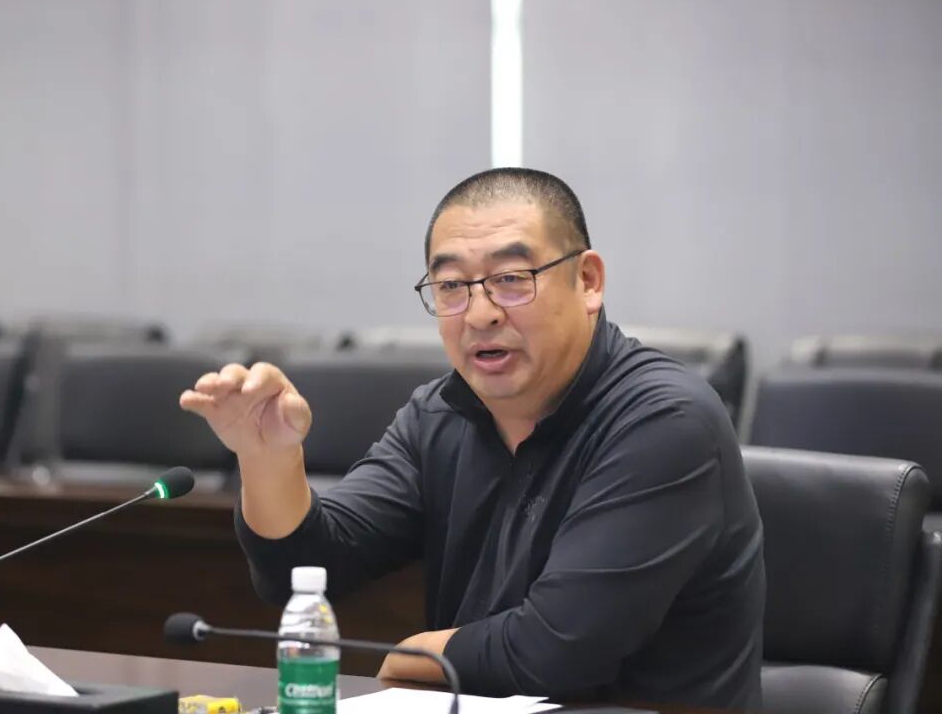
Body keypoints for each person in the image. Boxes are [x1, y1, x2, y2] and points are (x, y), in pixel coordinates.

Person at [180, 168, 764, 710]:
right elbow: (306, 572)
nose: (480, 313)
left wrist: (420, 652)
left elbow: (557, 647)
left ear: (587, 281)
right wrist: (268, 459)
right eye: (452, 286)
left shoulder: (665, 420)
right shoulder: (440, 414)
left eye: (511, 280)